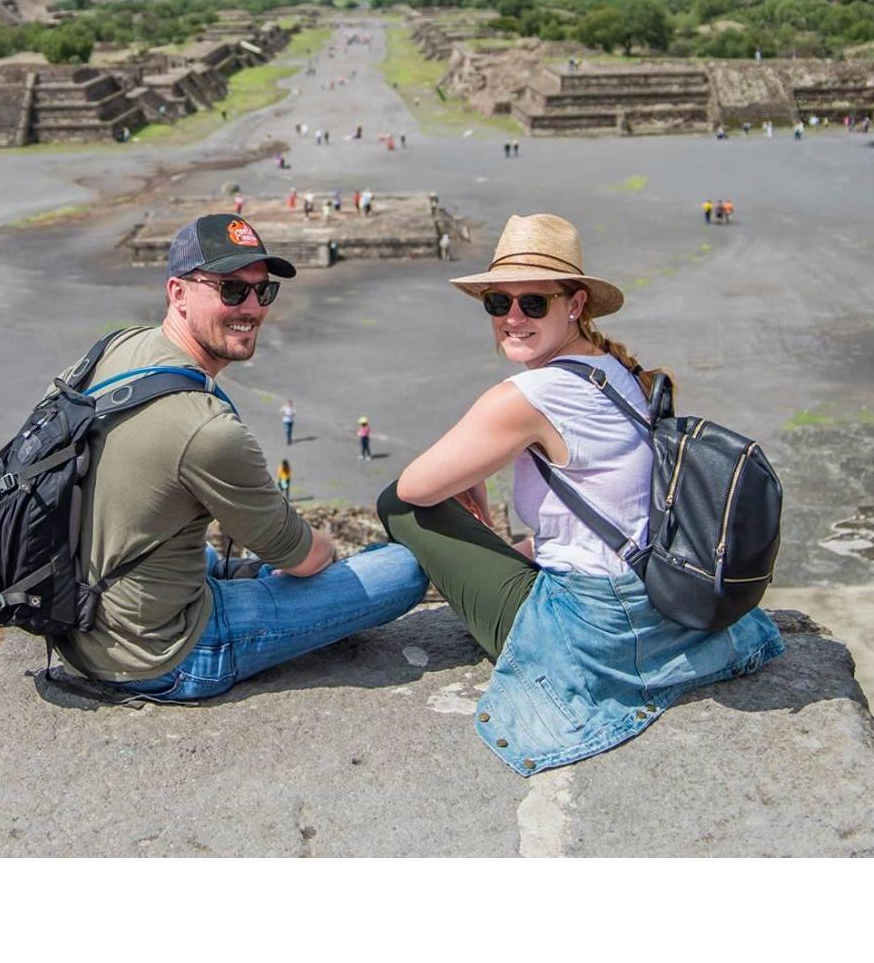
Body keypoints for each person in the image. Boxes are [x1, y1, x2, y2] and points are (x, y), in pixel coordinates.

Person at [376, 213, 784, 775]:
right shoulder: (613, 367)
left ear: (575, 305)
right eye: (499, 303)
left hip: (597, 625)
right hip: (662, 598)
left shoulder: (525, 396)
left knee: (394, 505)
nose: (513, 318)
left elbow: (414, 489)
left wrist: (477, 481)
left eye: (533, 303)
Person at [55, 214, 426, 700]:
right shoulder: (205, 429)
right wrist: (327, 550)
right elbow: (301, 556)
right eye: (231, 290)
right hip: (162, 653)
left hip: (76, 618)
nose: (251, 307)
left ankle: (232, 579)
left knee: (203, 552)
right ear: (178, 292)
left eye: (262, 291)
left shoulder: (113, 349)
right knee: (404, 570)